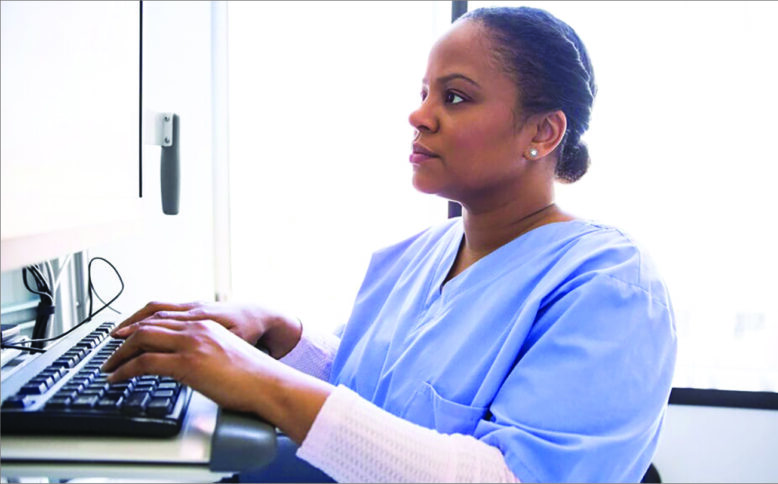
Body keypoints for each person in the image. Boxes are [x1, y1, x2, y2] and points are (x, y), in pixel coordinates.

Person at [103, 6, 677, 483]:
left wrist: (261, 381)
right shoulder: (419, 254)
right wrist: (282, 334)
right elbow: (375, 398)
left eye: (454, 97)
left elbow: (510, 477)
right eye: (425, 92)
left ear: (542, 132)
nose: (418, 115)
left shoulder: (609, 288)